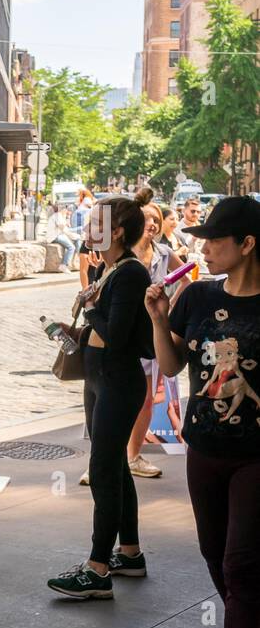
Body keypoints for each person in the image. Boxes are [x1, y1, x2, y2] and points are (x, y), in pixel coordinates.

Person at [145, 196, 260, 628]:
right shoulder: (195, 297)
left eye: (215, 240)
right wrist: (159, 317)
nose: (204, 248)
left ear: (247, 244)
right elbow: (171, 365)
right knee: (213, 549)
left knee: (242, 558)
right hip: (204, 446)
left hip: (256, 456)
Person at [47, 188, 155, 598]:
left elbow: (118, 334)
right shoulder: (104, 270)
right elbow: (98, 331)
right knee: (113, 467)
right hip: (97, 379)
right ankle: (129, 553)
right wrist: (75, 328)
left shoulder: (130, 273)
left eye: (97, 223)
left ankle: (97, 569)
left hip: (118, 381)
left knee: (105, 472)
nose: (88, 228)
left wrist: (90, 308)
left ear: (119, 231)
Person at [126, 204, 183, 478]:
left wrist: (170, 307)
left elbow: (187, 277)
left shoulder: (164, 253)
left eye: (156, 219)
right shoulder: (124, 254)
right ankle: (109, 458)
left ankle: (133, 456)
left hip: (152, 336)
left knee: (146, 399)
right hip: (126, 334)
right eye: (146, 218)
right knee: (118, 396)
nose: (151, 223)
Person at [47, 203, 79, 269]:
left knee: (76, 240)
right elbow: (64, 229)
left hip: (58, 235)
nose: (67, 211)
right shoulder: (58, 216)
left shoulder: (59, 216)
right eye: (66, 209)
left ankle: (74, 262)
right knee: (71, 247)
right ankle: (64, 265)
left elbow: (66, 230)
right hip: (55, 236)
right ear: (63, 210)